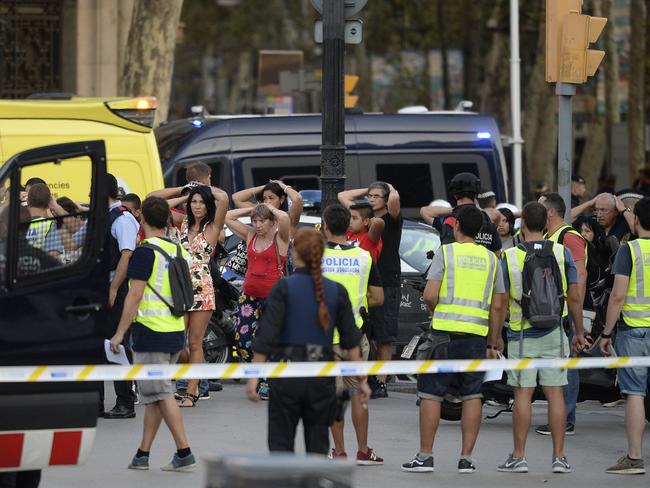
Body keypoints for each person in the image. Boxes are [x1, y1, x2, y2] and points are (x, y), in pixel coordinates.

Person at [245, 227, 370, 454]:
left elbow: (266, 335)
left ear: (295, 254)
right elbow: (351, 340)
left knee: (281, 444)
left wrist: (254, 377)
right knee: (317, 446)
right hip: (321, 377)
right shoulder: (336, 291)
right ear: (321, 254)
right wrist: (361, 380)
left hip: (287, 374)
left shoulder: (284, 287)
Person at [402, 206, 506, 474]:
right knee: (473, 394)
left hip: (443, 335)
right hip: (475, 336)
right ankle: (466, 459)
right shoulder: (492, 259)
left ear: (457, 225)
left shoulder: (446, 252)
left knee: (431, 395)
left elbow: (429, 294)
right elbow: (498, 305)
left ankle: (425, 456)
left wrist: (434, 311)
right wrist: (494, 340)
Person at [109, 196, 196, 472]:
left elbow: (135, 295)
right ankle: (142, 454)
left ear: (142, 220)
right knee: (155, 396)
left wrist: (119, 333)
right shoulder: (175, 249)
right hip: (173, 331)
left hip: (151, 332)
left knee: (161, 393)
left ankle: (184, 451)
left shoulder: (145, 252)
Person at [497, 202, 586, 474]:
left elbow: (499, 303)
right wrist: (579, 332)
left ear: (522, 227)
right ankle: (559, 458)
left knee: (522, 393)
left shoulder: (509, 256)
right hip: (554, 332)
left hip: (521, 333)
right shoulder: (561, 252)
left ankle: (519, 456)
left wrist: (494, 338)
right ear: (546, 226)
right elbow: (573, 297)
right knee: (555, 393)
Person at [321, 204, 385, 465]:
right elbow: (378, 298)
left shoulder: (317, 257)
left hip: (325, 336)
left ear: (325, 226)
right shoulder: (364, 257)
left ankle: (338, 450)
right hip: (355, 336)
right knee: (358, 394)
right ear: (348, 226)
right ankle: (363, 449)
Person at [599, 196, 650, 475]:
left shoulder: (628, 251)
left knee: (635, 395)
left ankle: (634, 457)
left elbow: (618, 295)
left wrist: (606, 333)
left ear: (637, 221)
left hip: (633, 331)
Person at [339, 182, 402, 398]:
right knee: (369, 335)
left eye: (377, 196)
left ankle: (381, 382)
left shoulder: (389, 220)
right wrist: (366, 193)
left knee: (384, 336)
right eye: (370, 195)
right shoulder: (359, 222)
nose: (373, 198)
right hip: (364, 286)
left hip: (387, 281)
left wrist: (391, 188)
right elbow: (342, 196)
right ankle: (371, 376)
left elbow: (381, 216)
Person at [226, 202, 291, 399]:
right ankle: (261, 377)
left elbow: (286, 218)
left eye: (262, 221)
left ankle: (271, 382)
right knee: (242, 340)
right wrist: (252, 209)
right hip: (249, 295)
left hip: (274, 297)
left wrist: (268, 208)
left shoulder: (281, 237)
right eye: (254, 221)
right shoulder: (250, 235)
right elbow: (228, 217)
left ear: (272, 222)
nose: (257, 224)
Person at [537, 192, 588, 436]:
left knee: (567, 367)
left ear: (550, 212)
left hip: (566, 313)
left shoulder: (570, 237)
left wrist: (575, 311)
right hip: (554, 311)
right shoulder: (550, 236)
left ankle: (566, 419)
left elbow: (579, 277)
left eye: (539, 207)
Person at [174, 184, 229, 407]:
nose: (197, 206)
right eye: (193, 202)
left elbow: (223, 196)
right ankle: (193, 379)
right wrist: (185, 190)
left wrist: (201, 187)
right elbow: (152, 201)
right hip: (179, 287)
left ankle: (190, 391)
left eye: (201, 202)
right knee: (177, 343)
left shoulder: (214, 226)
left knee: (195, 343)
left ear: (208, 205)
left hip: (202, 288)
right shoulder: (182, 222)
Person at [103, 173, 140, 419]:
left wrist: (114, 288)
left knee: (118, 343)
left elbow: (126, 256)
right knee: (104, 344)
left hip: (116, 287)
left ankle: (125, 401)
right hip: (104, 287)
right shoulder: (107, 216)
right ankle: (98, 403)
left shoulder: (123, 219)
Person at [420, 173, 501, 254]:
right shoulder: (487, 219)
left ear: (455, 194)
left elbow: (424, 211)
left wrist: (455, 209)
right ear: (476, 193)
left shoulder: (449, 220)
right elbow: (497, 255)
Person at [25, 183, 65, 259]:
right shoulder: (51, 225)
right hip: (41, 269)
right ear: (49, 203)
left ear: (27, 201)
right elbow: (54, 254)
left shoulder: (17, 225)